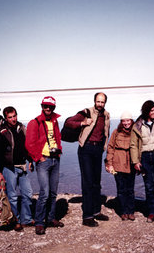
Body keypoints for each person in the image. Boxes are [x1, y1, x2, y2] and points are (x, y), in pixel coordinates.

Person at [65, 92, 110, 227]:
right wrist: (83, 122)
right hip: (86, 149)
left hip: (98, 150)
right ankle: (87, 216)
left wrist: (104, 147)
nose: (100, 104)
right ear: (94, 101)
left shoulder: (106, 115)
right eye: (98, 101)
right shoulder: (86, 112)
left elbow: (106, 132)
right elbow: (69, 123)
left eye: (102, 102)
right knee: (88, 183)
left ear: (105, 103)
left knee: (96, 182)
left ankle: (96, 211)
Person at [25, 96, 64, 235]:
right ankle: (40, 222)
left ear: (54, 108)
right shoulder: (34, 123)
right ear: (42, 106)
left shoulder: (54, 121)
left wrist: (59, 151)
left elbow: (57, 137)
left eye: (50, 107)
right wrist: (37, 157)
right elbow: (29, 144)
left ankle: (51, 218)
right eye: (45, 106)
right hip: (44, 161)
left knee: (53, 192)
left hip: (55, 160)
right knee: (44, 193)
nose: (48, 109)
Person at [130, 100, 154, 225]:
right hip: (145, 158)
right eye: (151, 110)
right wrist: (135, 161)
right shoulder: (137, 126)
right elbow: (133, 145)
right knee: (149, 186)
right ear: (146, 111)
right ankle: (152, 211)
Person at [0, 106, 34, 232]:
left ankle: (26, 219)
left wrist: (31, 160)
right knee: (12, 196)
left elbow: (28, 146)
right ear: (6, 118)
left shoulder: (22, 128)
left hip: (22, 166)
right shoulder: (2, 132)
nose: (13, 119)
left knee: (27, 193)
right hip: (9, 168)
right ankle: (15, 220)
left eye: (14, 116)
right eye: (10, 117)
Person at [105, 111, 135, 221]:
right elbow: (110, 148)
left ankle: (131, 211)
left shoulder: (135, 131)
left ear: (131, 121)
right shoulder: (116, 132)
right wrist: (109, 164)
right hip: (118, 163)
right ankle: (123, 211)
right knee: (121, 189)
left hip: (131, 163)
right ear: (121, 122)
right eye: (124, 121)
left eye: (128, 120)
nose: (126, 123)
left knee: (130, 189)